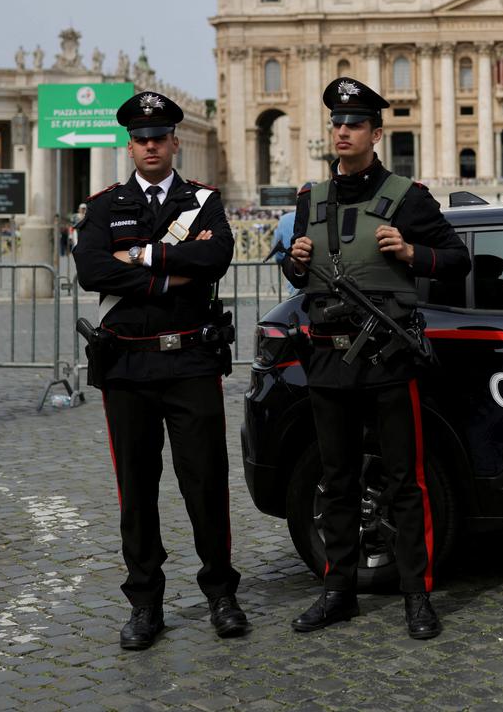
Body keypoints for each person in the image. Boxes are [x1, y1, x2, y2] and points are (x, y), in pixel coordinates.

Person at [282, 77, 470, 640]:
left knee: (404, 480)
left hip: (387, 358)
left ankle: (417, 594)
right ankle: (337, 591)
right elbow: (300, 277)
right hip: (327, 357)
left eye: (355, 124)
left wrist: (412, 252)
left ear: (376, 133)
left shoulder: (409, 197)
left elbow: (457, 259)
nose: (343, 131)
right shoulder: (310, 198)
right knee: (336, 479)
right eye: (337, 123)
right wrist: (295, 262)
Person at [73, 91, 247, 651]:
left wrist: (140, 257)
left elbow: (216, 257)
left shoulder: (204, 201)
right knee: (137, 490)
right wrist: (174, 274)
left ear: (175, 142)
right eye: (141, 139)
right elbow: (91, 270)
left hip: (190, 361)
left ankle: (221, 593)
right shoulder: (105, 206)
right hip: (127, 365)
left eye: (159, 138)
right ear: (131, 146)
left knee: (206, 483)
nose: (150, 146)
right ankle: (145, 603)